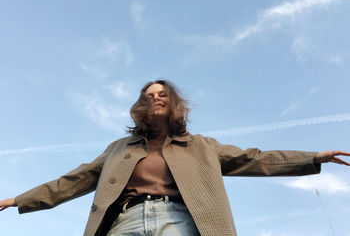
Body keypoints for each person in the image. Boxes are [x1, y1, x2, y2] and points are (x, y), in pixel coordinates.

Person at [1, 79, 350, 236]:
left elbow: (254, 158)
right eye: (149, 94)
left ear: (172, 103)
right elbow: (73, 180)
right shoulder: (118, 149)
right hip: (125, 224)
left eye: (162, 94)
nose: (156, 97)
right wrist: (18, 200)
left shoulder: (200, 145)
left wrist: (313, 157)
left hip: (182, 222)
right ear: (141, 105)